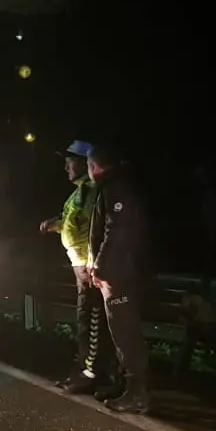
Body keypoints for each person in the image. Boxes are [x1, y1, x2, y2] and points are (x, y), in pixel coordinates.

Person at [39, 140, 114, 395]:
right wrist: (57, 224)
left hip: (88, 265)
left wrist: (94, 263)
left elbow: (97, 227)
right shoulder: (80, 192)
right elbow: (77, 223)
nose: (66, 165)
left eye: (71, 160)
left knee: (91, 320)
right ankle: (85, 370)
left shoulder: (92, 191)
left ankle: (90, 373)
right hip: (80, 263)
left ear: (85, 163)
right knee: (85, 318)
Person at [85, 144, 153, 413]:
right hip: (120, 271)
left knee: (125, 333)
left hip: (120, 275)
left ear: (94, 166)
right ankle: (129, 387)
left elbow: (116, 231)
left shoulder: (116, 188)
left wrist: (100, 266)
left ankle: (137, 394)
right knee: (122, 332)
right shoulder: (115, 186)